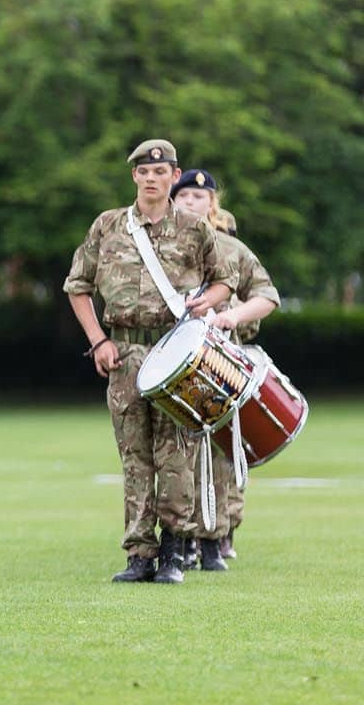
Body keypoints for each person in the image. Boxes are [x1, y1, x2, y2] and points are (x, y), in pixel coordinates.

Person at [63, 140, 234, 585]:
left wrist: (205, 306)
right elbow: (77, 286)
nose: (152, 177)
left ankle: (175, 549)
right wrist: (98, 340)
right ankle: (139, 552)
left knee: (177, 452)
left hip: (177, 350)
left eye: (161, 171)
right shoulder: (108, 226)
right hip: (124, 352)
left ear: (174, 176)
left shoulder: (195, 229)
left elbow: (225, 282)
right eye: (144, 171)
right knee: (135, 456)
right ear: (135, 177)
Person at [170, 168, 279, 569]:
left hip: (219, 363)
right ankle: (178, 538)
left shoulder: (231, 249)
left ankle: (216, 536)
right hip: (172, 364)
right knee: (174, 452)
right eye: (183, 197)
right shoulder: (157, 247)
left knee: (219, 453)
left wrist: (232, 316)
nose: (190, 202)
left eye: (199, 198)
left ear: (212, 204)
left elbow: (267, 295)